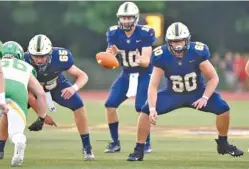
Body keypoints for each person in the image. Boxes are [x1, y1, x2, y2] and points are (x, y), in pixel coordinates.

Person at [127, 22, 244, 161]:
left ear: (187, 39)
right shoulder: (161, 55)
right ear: (168, 42)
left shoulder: (197, 51)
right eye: (174, 41)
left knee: (224, 109)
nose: (178, 45)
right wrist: (152, 108)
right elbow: (153, 85)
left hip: (197, 93)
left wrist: (205, 97)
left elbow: (213, 78)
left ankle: (223, 144)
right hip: (173, 94)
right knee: (145, 111)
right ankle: (139, 150)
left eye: (181, 40)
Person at [25, 34, 94, 160]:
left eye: (42, 56)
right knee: (9, 108)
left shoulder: (60, 56)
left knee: (79, 105)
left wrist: (73, 88)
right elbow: (30, 96)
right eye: (36, 56)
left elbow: (83, 76)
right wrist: (43, 116)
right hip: (33, 90)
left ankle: (87, 147)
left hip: (57, 86)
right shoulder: (24, 60)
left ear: (50, 54)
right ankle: (2, 146)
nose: (39, 60)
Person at [104, 1, 155, 153]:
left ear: (135, 18)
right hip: (126, 73)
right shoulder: (113, 33)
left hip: (144, 74)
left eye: (129, 18)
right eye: (123, 18)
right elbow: (110, 56)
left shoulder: (145, 32)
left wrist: (141, 60)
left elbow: (146, 61)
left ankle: (146, 142)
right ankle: (115, 142)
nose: (126, 21)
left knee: (140, 108)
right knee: (110, 105)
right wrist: (109, 56)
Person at [0, 41, 51, 166]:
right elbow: (40, 93)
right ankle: (19, 140)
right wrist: (42, 116)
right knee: (16, 133)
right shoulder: (26, 67)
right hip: (18, 92)